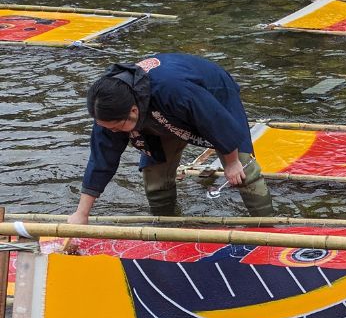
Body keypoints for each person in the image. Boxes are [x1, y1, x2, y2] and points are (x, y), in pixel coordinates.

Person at [71, 54, 271, 225]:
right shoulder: (108, 112)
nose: (113, 132)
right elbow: (101, 160)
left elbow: (215, 120)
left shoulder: (174, 89)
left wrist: (231, 161)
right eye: (108, 128)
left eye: (116, 128)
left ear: (133, 111)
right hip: (158, 115)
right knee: (154, 175)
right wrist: (82, 214)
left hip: (211, 96)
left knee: (244, 170)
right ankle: (166, 226)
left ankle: (267, 226)